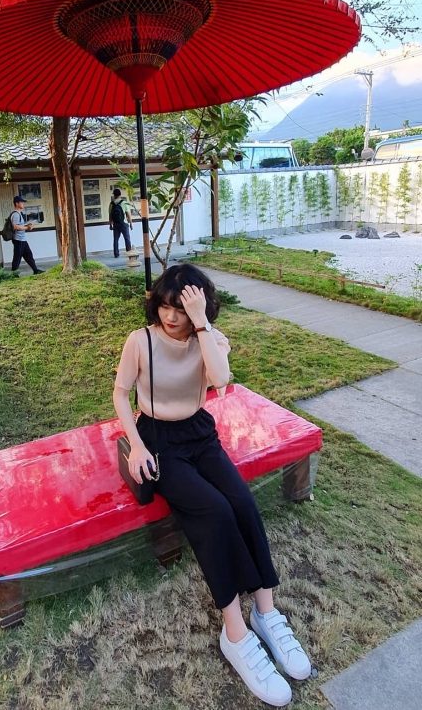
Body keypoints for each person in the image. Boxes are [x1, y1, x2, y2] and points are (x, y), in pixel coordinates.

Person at [113, 263, 311, 707]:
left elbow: (220, 380)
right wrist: (137, 445)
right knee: (215, 512)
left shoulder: (210, 338)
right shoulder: (140, 340)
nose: (171, 317)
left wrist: (201, 324)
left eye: (181, 309)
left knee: (242, 503)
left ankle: (266, 612)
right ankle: (235, 632)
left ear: (199, 307)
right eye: (166, 306)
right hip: (158, 440)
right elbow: (120, 394)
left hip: (199, 434)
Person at [10, 196, 44, 275]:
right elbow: (15, 227)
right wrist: (27, 228)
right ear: (16, 203)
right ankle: (14, 274)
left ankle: (35, 270)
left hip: (22, 239)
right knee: (17, 257)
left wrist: (26, 225)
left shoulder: (19, 214)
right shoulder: (16, 214)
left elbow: (19, 225)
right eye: (21, 202)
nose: (23, 203)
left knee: (28, 255)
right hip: (18, 240)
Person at [108, 188, 134, 258]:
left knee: (116, 239)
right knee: (127, 238)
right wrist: (131, 224)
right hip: (124, 223)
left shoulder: (111, 204)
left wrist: (110, 224)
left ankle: (116, 254)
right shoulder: (124, 203)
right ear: (120, 195)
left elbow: (110, 215)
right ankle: (129, 252)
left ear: (114, 195)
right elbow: (128, 214)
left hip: (115, 224)